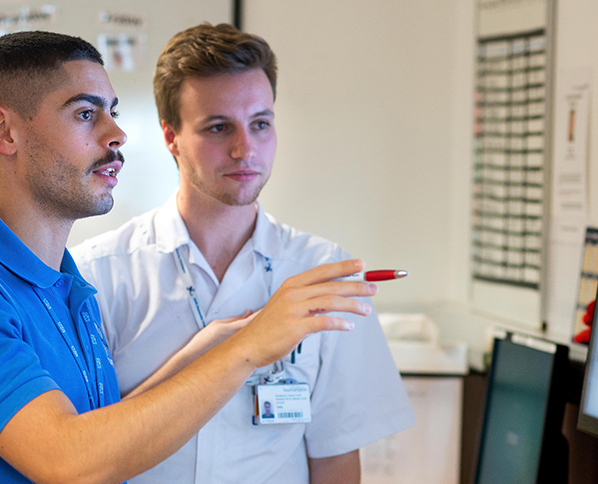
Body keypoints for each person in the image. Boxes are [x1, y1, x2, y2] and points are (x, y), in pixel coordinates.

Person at [0, 31, 377, 484]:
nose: (115, 134)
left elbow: (106, 435)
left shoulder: (68, 292)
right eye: (85, 113)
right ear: (4, 131)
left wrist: (202, 353)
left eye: (112, 111)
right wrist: (245, 352)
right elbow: (70, 460)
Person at [71, 23, 416, 484]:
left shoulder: (321, 275)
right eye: (218, 128)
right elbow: (80, 454)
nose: (244, 149)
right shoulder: (97, 274)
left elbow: (334, 460)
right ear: (171, 137)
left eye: (261, 124)